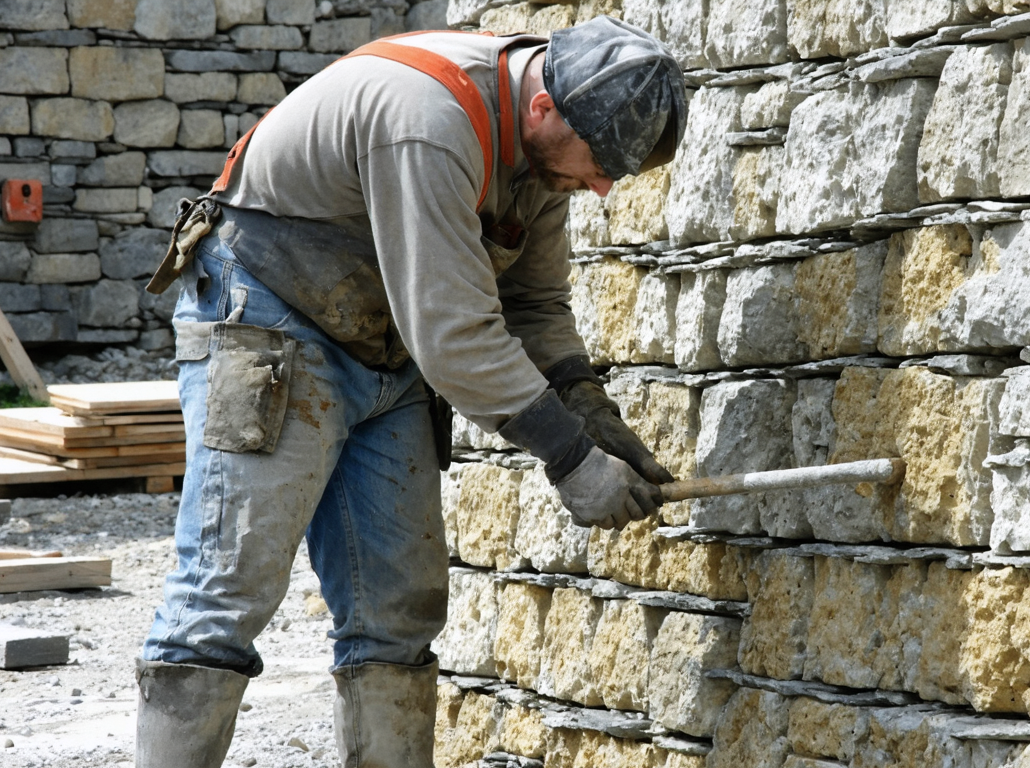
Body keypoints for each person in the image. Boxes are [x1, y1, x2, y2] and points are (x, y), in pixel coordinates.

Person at [134, 17, 687, 768]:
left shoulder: (548, 153)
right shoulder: (428, 120)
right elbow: (455, 334)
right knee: (225, 595)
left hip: (387, 344)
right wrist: (570, 460)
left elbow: (535, 308)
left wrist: (592, 413)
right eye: (597, 165)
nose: (600, 185)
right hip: (269, 316)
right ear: (543, 107)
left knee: (397, 614)